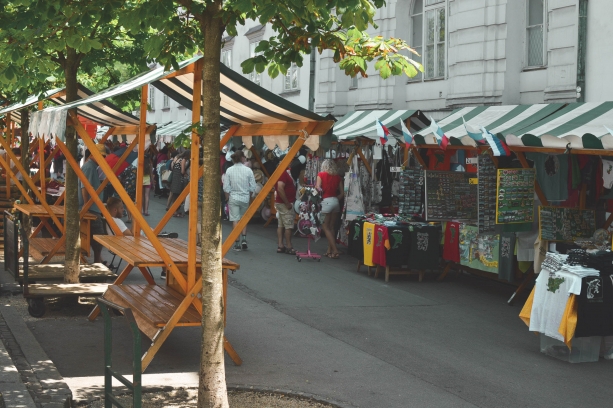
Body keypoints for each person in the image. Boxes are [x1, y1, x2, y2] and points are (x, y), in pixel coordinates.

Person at [77, 144, 108, 263]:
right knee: (98, 236)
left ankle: (98, 259)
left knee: (93, 236)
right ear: (92, 155)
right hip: (91, 208)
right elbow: (84, 186)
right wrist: (86, 204)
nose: (103, 158)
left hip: (92, 207)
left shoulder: (91, 166)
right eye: (101, 156)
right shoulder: (89, 167)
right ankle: (97, 261)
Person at [223, 150, 256, 251]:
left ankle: (237, 242)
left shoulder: (229, 170)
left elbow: (226, 187)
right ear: (242, 158)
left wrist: (228, 197)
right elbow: (253, 186)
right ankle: (244, 239)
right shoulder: (248, 170)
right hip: (245, 197)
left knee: (235, 219)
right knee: (243, 219)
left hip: (233, 197)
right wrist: (249, 195)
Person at [316, 159, 344, 259]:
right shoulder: (337, 177)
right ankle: (329, 250)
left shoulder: (321, 174)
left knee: (325, 227)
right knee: (332, 227)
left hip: (326, 202)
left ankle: (335, 251)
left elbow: (318, 188)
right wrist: (336, 199)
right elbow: (342, 193)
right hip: (335, 202)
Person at [275, 160, 302, 255]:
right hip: (285, 203)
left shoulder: (283, 172)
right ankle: (289, 246)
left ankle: (280, 245)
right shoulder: (283, 173)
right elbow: (280, 188)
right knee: (288, 225)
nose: (290, 163)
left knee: (281, 224)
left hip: (281, 202)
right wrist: (287, 203)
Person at [168, 150, 189, 217]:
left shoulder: (176, 159)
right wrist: (186, 174)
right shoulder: (183, 160)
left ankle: (174, 210)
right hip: (179, 179)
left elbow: (172, 167)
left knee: (174, 195)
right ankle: (175, 211)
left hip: (175, 177)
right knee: (178, 195)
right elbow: (182, 171)